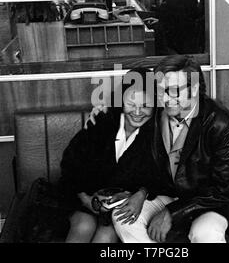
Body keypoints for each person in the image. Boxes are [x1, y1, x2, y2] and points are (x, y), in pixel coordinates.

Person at [87, 56, 229, 243]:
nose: (165, 99)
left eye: (174, 91)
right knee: (124, 219)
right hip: (170, 195)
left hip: (211, 204)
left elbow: (222, 190)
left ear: (193, 89)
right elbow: (130, 101)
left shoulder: (223, 126)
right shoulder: (157, 114)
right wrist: (142, 192)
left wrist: (172, 213)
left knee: (205, 233)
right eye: (161, 90)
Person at [58, 68, 160, 243]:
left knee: (105, 236)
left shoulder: (157, 134)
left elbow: (159, 177)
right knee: (84, 225)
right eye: (131, 103)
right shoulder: (101, 123)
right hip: (83, 197)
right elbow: (70, 164)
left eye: (145, 105)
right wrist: (87, 200)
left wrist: (141, 193)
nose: (137, 112)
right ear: (121, 101)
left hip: (117, 206)